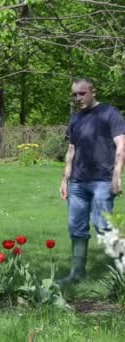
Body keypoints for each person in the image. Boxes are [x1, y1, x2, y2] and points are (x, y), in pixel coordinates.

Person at [60, 77, 125, 284]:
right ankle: (77, 274)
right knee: (76, 227)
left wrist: (117, 175)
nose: (78, 98)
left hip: (102, 181)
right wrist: (65, 178)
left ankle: (123, 270)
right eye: (75, 94)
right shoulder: (75, 119)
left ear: (93, 92)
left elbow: (121, 145)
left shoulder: (109, 113)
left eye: (82, 93)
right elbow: (71, 150)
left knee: (102, 225)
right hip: (78, 183)